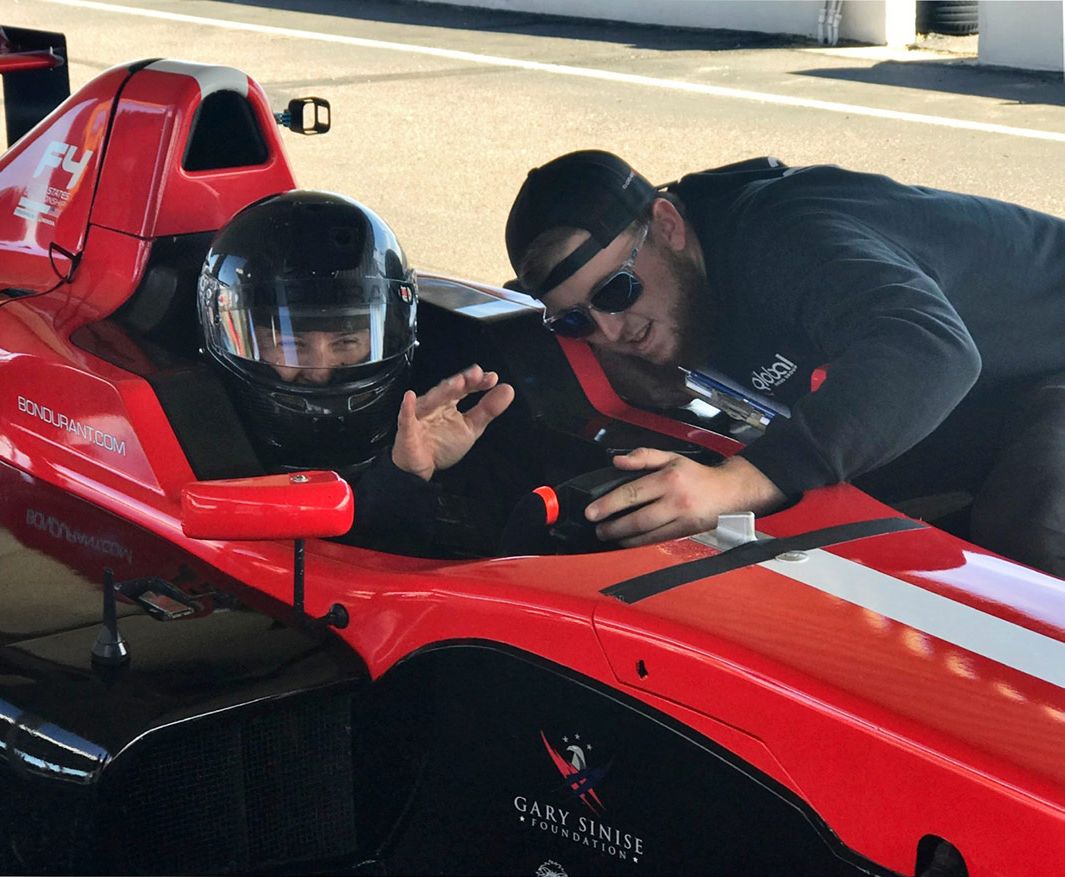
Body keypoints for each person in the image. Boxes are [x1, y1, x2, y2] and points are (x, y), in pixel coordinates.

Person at [505, 150, 1065, 577]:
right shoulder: (671, 287)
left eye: (617, 290)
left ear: (669, 226)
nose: (608, 331)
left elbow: (929, 349)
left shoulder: (783, 236)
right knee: (857, 528)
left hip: (1034, 361)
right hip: (990, 392)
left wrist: (739, 484)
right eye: (577, 320)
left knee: (1028, 528)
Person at [198, 190, 514, 555]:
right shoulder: (199, 447)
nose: (320, 372)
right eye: (291, 345)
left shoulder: (441, 436)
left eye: (347, 343)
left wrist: (406, 474)